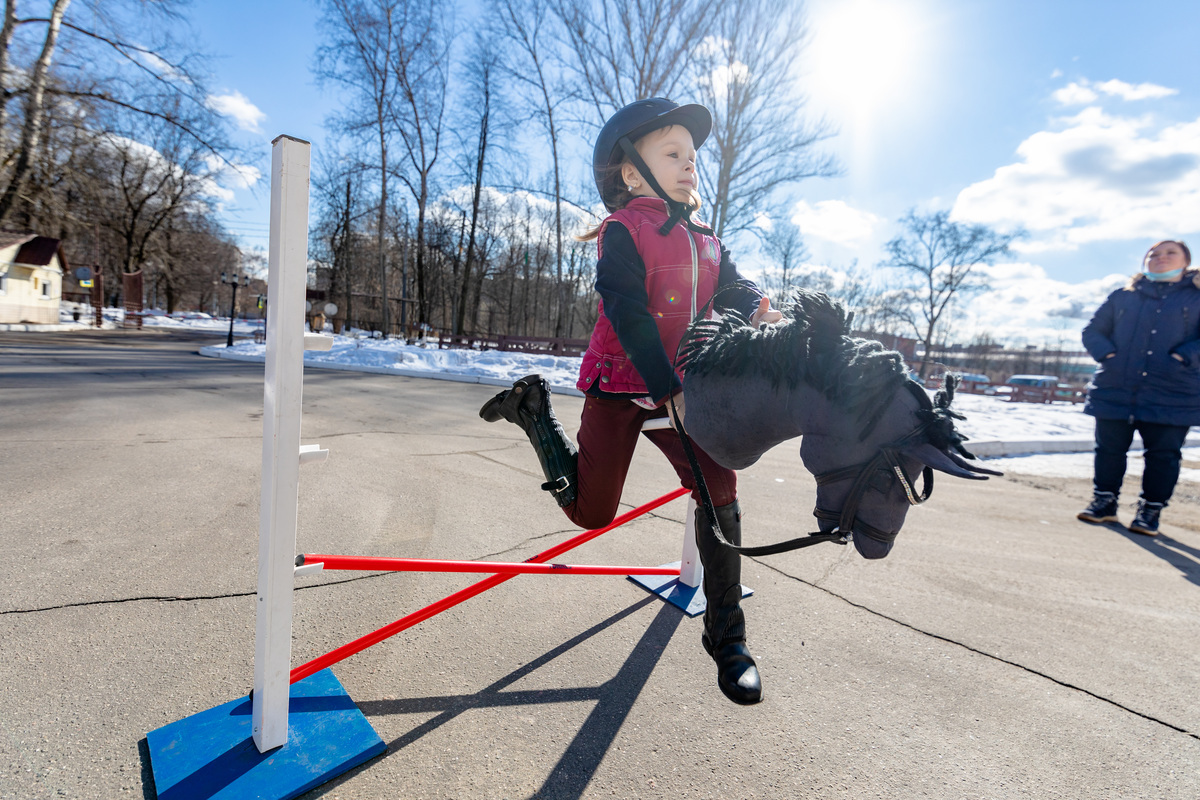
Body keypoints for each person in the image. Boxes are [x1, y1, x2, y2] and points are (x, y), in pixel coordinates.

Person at [479, 98, 782, 705]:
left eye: (692, 157)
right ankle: (535, 415)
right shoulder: (623, 233)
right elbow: (628, 311)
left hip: (680, 391)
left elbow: (736, 283)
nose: (689, 165)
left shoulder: (706, 239)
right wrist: (663, 386)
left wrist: (757, 306)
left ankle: (729, 640)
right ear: (631, 172)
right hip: (624, 385)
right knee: (592, 511)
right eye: (673, 154)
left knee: (721, 494)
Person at [1077, 240, 1200, 535]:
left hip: (1173, 390)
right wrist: (1108, 356)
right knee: (1108, 449)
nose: (1160, 258)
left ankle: (1150, 510)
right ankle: (1104, 502)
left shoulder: (1196, 297)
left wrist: (1182, 356)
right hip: (1116, 386)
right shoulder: (1124, 296)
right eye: (1154, 254)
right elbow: (1093, 331)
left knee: (1163, 454)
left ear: (1186, 260)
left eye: (1171, 252)